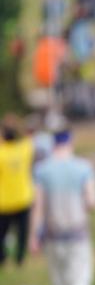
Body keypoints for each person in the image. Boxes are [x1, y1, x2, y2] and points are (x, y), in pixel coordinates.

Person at [29, 128, 95, 285]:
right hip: (78, 231)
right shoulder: (84, 167)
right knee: (81, 273)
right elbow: (92, 201)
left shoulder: (42, 170)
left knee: (58, 278)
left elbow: (38, 207)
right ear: (71, 143)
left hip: (53, 233)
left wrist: (34, 236)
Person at [0, 114, 35, 267]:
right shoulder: (25, 149)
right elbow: (27, 135)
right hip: (23, 198)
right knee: (22, 233)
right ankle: (20, 259)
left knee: (2, 234)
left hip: (4, 201)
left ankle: (2, 258)